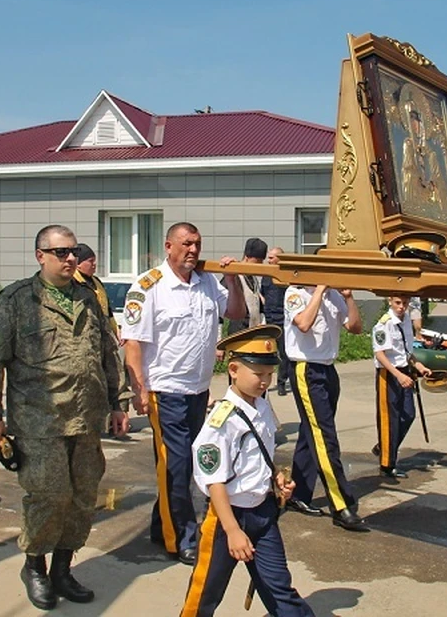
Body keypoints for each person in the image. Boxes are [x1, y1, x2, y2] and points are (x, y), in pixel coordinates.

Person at [0, 225, 131, 610]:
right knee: (49, 497)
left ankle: (62, 567)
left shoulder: (88, 300)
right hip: (40, 421)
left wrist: (117, 402)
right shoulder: (17, 301)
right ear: (40, 255)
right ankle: (35, 567)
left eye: (73, 251)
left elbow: (107, 353)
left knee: (81, 497)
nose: (70, 258)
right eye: (60, 252)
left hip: (86, 418)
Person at [121, 222, 245, 565]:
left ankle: (163, 527)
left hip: (198, 391)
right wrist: (139, 390)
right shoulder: (149, 287)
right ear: (168, 246)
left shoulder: (207, 282)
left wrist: (232, 281)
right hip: (165, 392)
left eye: (197, 244)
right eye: (186, 244)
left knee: (183, 465)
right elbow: (133, 343)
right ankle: (183, 539)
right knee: (176, 466)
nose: (193, 250)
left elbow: (235, 312)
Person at [179, 325, 314, 617]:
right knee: (204, 594)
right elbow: (213, 480)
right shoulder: (222, 420)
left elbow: (258, 456)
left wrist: (276, 477)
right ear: (234, 370)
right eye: (257, 374)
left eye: (269, 374)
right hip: (226, 517)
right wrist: (232, 531)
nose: (264, 381)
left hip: (262, 513)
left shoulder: (262, 407)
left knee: (279, 586)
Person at [283, 282, 366, 531]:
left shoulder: (334, 296)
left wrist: (349, 298)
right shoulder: (295, 293)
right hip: (306, 368)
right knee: (325, 438)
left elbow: (355, 327)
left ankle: (298, 492)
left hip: (328, 369)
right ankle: (341, 505)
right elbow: (304, 324)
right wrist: (318, 291)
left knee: (311, 434)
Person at [372, 294, 431, 479]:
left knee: (408, 414)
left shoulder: (405, 321)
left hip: (404, 369)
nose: (401, 307)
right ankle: (387, 465)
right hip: (388, 373)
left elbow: (406, 350)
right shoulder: (384, 323)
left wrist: (419, 365)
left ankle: (384, 446)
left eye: (405, 303)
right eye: (398, 303)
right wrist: (398, 376)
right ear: (390, 301)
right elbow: (380, 354)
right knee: (390, 418)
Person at [73, 243, 121, 343]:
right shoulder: (73, 283)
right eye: (90, 261)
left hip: (103, 336)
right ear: (78, 264)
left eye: (94, 260)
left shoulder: (97, 282)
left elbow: (108, 312)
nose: (94, 264)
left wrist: (117, 331)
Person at [260, 247, 290, 396]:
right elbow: (262, 294)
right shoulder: (266, 275)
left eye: (272, 258)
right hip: (269, 319)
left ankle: (281, 383)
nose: (268, 260)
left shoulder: (286, 275)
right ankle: (263, 382)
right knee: (267, 352)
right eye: (268, 257)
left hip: (283, 320)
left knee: (284, 353)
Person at [225, 238, 267, 335]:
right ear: (247, 256)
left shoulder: (254, 278)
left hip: (254, 333)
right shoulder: (233, 278)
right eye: (257, 260)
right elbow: (220, 313)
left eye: (261, 261)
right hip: (237, 334)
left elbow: (259, 306)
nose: (259, 264)